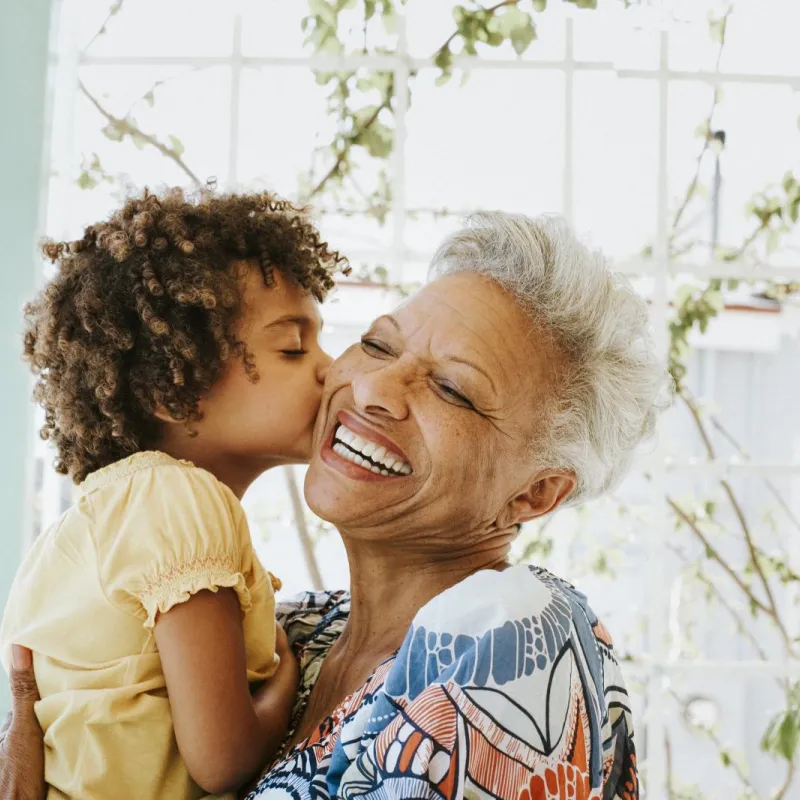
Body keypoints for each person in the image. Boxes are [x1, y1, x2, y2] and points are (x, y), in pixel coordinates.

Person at [2, 212, 667, 799]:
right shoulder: (295, 630)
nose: (372, 386)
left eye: (453, 389)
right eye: (378, 344)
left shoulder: (513, 639)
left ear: (535, 492)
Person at [0, 188, 347, 799]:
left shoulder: (106, 516)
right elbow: (223, 760)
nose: (331, 367)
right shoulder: (182, 500)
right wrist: (292, 687)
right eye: (293, 347)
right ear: (175, 390)